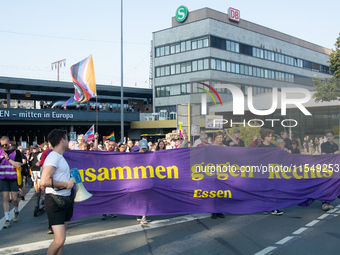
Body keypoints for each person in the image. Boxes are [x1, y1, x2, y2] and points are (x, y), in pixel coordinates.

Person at [40, 129, 75, 255]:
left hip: (64, 199)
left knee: (62, 239)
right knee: (59, 240)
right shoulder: (53, 157)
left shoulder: (59, 157)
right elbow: (44, 181)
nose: (68, 141)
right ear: (62, 140)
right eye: (67, 139)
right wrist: (66, 184)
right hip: (55, 201)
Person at [257, 129, 283, 215]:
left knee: (273, 190)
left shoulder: (273, 147)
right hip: (263, 171)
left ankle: (273, 208)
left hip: (272, 171)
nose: (271, 137)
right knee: (264, 190)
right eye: (269, 136)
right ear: (264, 137)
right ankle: (264, 207)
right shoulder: (260, 147)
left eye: (271, 136)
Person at [0, 136, 22, 229]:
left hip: (13, 178)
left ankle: (16, 211)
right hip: (3, 178)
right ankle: (7, 219)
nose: (4, 146)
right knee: (5, 198)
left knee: (14, 199)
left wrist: (8, 158)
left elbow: (18, 165)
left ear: (9, 142)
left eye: (6, 144)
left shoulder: (16, 152)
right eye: (2, 145)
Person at [320, 130, 339, 211]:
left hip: (333, 167)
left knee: (332, 185)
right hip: (326, 167)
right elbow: (323, 155)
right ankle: (324, 203)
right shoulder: (323, 144)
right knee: (325, 185)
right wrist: (334, 154)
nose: (329, 137)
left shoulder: (335, 145)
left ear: (333, 137)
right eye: (327, 136)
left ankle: (328, 202)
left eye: (330, 136)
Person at [211, 131, 226, 219]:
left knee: (221, 192)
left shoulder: (225, 147)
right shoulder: (211, 147)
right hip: (213, 171)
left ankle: (220, 211)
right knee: (214, 192)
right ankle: (214, 211)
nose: (219, 139)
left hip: (223, 172)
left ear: (223, 138)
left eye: (221, 137)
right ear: (215, 138)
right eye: (218, 137)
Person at [137, 139, 149, 225]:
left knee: (145, 198)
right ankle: (139, 213)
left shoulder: (151, 155)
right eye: (142, 148)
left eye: (145, 148)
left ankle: (144, 217)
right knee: (138, 198)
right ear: (139, 147)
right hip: (137, 180)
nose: (144, 150)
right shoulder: (134, 155)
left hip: (147, 180)